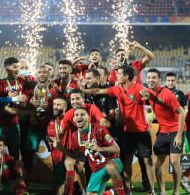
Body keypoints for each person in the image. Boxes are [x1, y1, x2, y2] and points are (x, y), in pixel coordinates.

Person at [82, 65, 155, 195]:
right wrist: (81, 90)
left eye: (119, 74)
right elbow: (98, 91)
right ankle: (128, 190)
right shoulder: (117, 89)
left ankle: (152, 190)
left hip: (142, 132)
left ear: (126, 77)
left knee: (148, 162)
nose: (117, 76)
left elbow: (145, 93)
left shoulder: (138, 88)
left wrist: (146, 94)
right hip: (127, 132)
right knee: (127, 163)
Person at [140, 68, 186, 195]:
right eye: (149, 77)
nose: (150, 80)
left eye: (154, 78)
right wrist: (150, 113)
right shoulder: (148, 92)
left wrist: (178, 135)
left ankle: (176, 192)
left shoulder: (168, 94)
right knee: (157, 163)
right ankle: (162, 192)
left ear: (159, 80)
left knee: (174, 161)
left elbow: (181, 113)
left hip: (176, 130)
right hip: (163, 131)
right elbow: (153, 108)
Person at [67, 107, 125, 195]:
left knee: (110, 167)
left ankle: (121, 193)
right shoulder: (74, 136)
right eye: (76, 115)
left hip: (112, 161)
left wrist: (100, 149)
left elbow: (117, 149)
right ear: (74, 119)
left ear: (88, 118)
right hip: (96, 170)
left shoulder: (99, 129)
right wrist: (59, 147)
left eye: (82, 114)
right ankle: (112, 192)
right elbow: (74, 155)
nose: (79, 117)